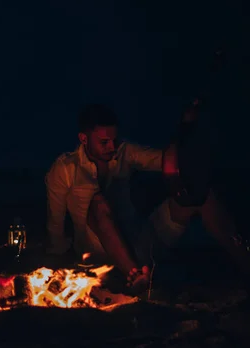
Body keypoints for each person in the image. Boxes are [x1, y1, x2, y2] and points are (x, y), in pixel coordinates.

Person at [45, 103, 250, 293]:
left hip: (140, 243)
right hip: (99, 254)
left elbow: (165, 160)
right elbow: (56, 223)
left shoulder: (125, 152)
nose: (112, 147)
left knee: (200, 195)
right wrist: (59, 254)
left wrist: (185, 128)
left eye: (114, 140)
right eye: (104, 142)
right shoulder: (65, 169)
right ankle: (135, 277)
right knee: (98, 204)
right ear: (83, 138)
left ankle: (245, 262)